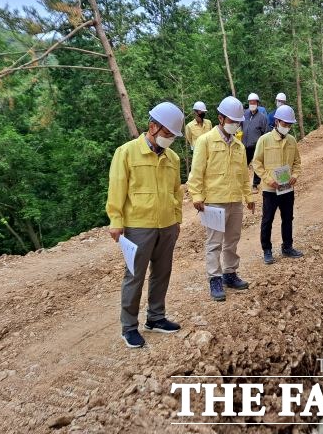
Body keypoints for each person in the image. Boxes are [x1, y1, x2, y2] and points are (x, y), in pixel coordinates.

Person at [106, 102, 185, 348]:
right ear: (153, 127)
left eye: (173, 136)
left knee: (162, 273)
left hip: (167, 225)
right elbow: (117, 188)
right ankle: (129, 327)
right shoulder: (127, 153)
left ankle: (156, 318)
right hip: (138, 226)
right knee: (135, 276)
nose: (170, 139)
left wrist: (177, 218)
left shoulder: (173, 158)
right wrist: (116, 221)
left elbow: (176, 192)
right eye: (167, 133)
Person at [187, 96, 255, 301]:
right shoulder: (205, 141)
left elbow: (244, 175)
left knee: (232, 241)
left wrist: (248, 196)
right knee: (214, 242)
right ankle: (215, 278)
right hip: (214, 201)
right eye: (232, 121)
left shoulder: (239, 146)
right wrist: (197, 195)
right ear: (220, 118)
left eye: (237, 122)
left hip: (235, 201)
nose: (235, 125)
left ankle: (230, 273)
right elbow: (196, 172)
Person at [252, 104, 304, 265]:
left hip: (287, 188)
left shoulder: (292, 141)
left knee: (288, 217)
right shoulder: (264, 140)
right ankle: (267, 250)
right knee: (267, 219)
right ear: (276, 122)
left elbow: (297, 162)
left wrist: (295, 176)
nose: (287, 127)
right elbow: (257, 163)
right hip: (270, 189)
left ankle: (287, 246)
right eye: (284, 124)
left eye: (289, 125)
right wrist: (268, 180)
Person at [242, 92, 269, 194]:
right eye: (250, 102)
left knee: (257, 165)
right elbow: (239, 126)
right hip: (245, 145)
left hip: (257, 146)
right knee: (243, 165)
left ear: (257, 103)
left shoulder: (262, 117)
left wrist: (263, 144)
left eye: (254, 102)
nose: (252, 104)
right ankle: (242, 184)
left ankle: (255, 185)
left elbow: (266, 132)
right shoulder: (244, 115)